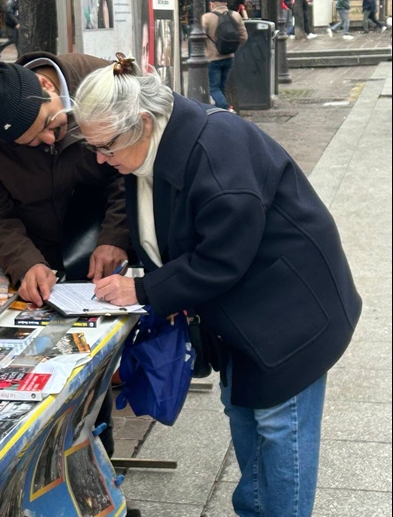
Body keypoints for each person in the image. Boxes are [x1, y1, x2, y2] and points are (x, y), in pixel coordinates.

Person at [73, 54, 362, 517]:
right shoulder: (152, 144)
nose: (102, 159)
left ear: (143, 123)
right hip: (243, 311)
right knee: (244, 415)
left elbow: (222, 255)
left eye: (106, 147)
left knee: (278, 426)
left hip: (290, 312)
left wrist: (146, 292)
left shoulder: (213, 148)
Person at [0, 51, 132, 514]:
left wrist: (115, 236)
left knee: (95, 357)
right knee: (44, 364)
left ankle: (99, 469)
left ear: (51, 89)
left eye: (53, 125)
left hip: (97, 229)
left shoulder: (98, 80)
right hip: (36, 243)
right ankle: (42, 483)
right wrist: (25, 262)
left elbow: (131, 173)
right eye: (36, 141)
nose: (52, 138)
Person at [202, 0, 248, 110]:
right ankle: (221, 112)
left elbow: (199, 38)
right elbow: (244, 37)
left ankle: (226, 108)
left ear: (212, 4)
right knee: (221, 87)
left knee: (213, 88)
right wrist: (231, 45)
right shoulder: (235, 15)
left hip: (212, 58)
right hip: (229, 57)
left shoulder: (207, 18)